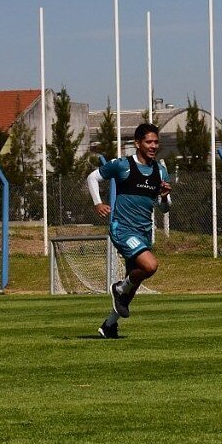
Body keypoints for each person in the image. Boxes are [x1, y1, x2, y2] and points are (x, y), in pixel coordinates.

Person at [87, 123, 171, 338]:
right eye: (148, 142)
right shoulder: (123, 165)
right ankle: (118, 289)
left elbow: (165, 208)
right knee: (150, 265)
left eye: (156, 142)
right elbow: (92, 178)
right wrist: (98, 203)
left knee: (131, 285)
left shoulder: (160, 171)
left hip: (143, 232)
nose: (153, 146)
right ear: (137, 143)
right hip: (123, 229)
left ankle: (108, 326)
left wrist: (164, 196)